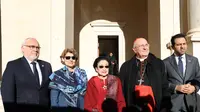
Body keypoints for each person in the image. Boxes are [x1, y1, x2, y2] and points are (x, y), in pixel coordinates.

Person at [1, 38, 53, 112]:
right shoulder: (13, 65)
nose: (35, 49)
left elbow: (50, 90)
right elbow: (7, 93)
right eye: (32, 46)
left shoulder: (46, 66)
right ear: (23, 48)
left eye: (37, 47)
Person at [119, 38, 169, 112]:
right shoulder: (126, 66)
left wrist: (164, 106)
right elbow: (122, 88)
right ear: (134, 49)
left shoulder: (158, 63)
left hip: (153, 104)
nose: (145, 48)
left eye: (146, 45)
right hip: (133, 104)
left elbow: (164, 85)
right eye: (141, 46)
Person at [163, 33, 200, 112]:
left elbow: (198, 78)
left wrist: (194, 88)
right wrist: (176, 87)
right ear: (173, 47)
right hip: (173, 104)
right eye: (179, 44)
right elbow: (162, 82)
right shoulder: (165, 62)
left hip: (191, 103)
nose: (182, 47)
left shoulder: (194, 60)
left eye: (184, 44)